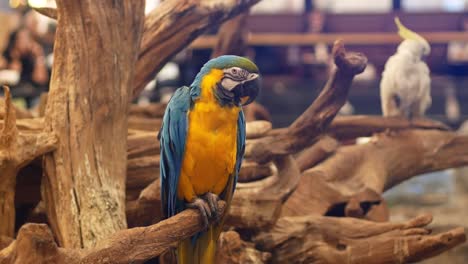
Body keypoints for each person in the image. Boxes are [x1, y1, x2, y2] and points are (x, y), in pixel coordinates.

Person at [1, 27, 48, 108]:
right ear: (15, 41)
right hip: (11, 94)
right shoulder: (7, 54)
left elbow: (40, 79)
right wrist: (13, 59)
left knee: (37, 102)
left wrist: (39, 57)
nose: (26, 42)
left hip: (30, 94)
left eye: (28, 38)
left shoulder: (34, 56)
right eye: (22, 38)